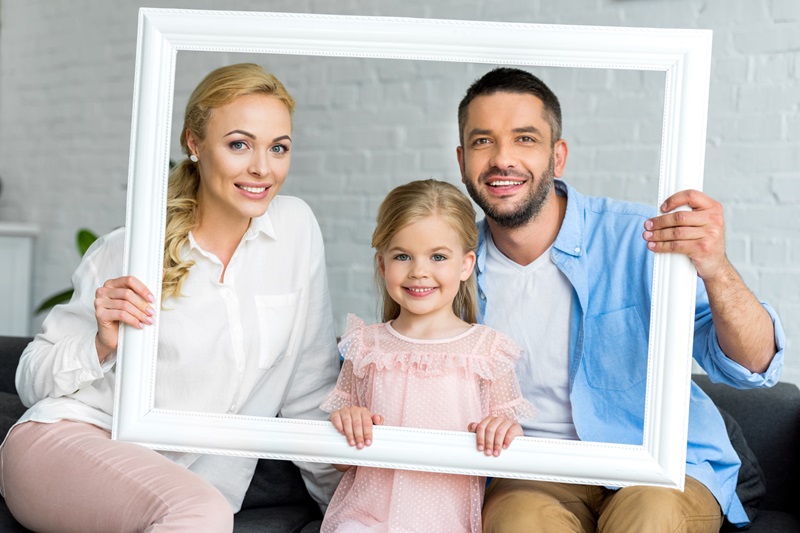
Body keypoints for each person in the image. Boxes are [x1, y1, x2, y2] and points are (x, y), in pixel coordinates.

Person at [0, 63, 342, 532]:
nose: (262, 168)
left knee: (199, 510)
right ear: (194, 144)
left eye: (278, 148)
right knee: (199, 514)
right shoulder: (132, 247)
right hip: (67, 443)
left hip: (185, 488)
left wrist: (342, 512)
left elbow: (310, 386)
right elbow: (30, 378)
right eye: (239, 144)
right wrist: (100, 344)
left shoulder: (296, 228)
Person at [455, 66, 786, 532]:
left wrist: (718, 270)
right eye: (483, 141)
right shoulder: (449, 267)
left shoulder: (641, 237)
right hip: (532, 472)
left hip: (658, 467)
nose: (502, 158)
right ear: (462, 159)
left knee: (651, 518)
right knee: (516, 523)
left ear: (558, 156)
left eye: (525, 139)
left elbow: (753, 367)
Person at [319, 179, 537, 532]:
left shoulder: (486, 352)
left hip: (444, 522)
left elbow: (507, 451)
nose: (419, 271)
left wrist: (504, 431)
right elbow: (341, 462)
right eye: (403, 256)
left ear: (465, 265)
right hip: (365, 518)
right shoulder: (366, 347)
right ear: (382, 264)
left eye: (437, 256)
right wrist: (347, 424)